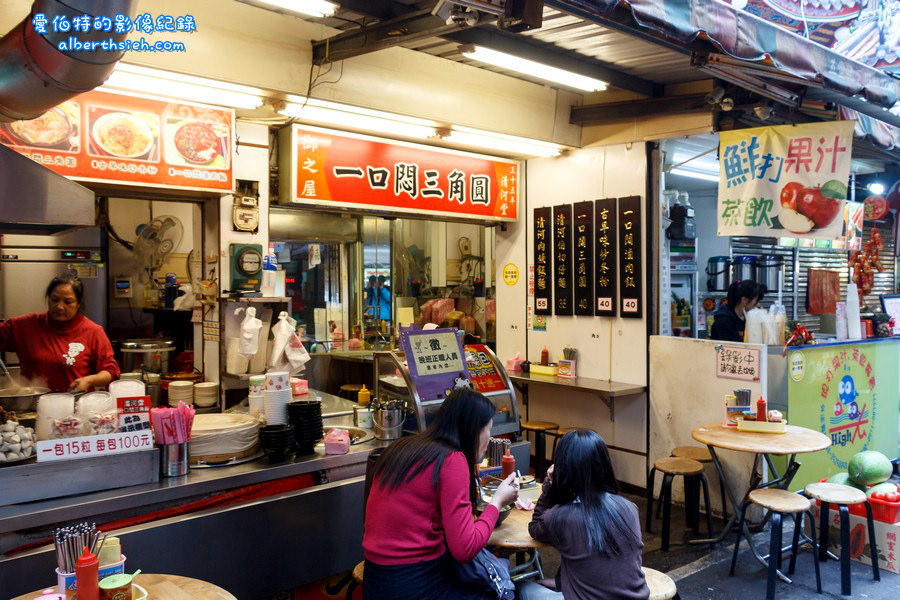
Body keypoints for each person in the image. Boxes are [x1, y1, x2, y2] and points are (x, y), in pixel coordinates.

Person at [362, 388, 519, 599]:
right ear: (474, 429)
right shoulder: (451, 460)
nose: (489, 438)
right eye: (489, 430)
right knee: (499, 593)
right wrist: (497, 501)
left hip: (375, 580)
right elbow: (465, 548)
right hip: (415, 585)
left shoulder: (401, 449)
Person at [521, 429, 649, 600]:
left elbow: (534, 527)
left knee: (522, 588)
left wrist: (549, 484)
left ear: (562, 470)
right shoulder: (629, 508)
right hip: (636, 597)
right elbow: (598, 569)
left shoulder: (560, 517)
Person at [0, 274, 120, 392]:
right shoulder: (25, 326)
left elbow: (110, 372)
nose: (59, 307)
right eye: (54, 300)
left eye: (67, 302)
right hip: (32, 407)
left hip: (77, 406)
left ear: (78, 304)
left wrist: (89, 380)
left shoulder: (93, 332)